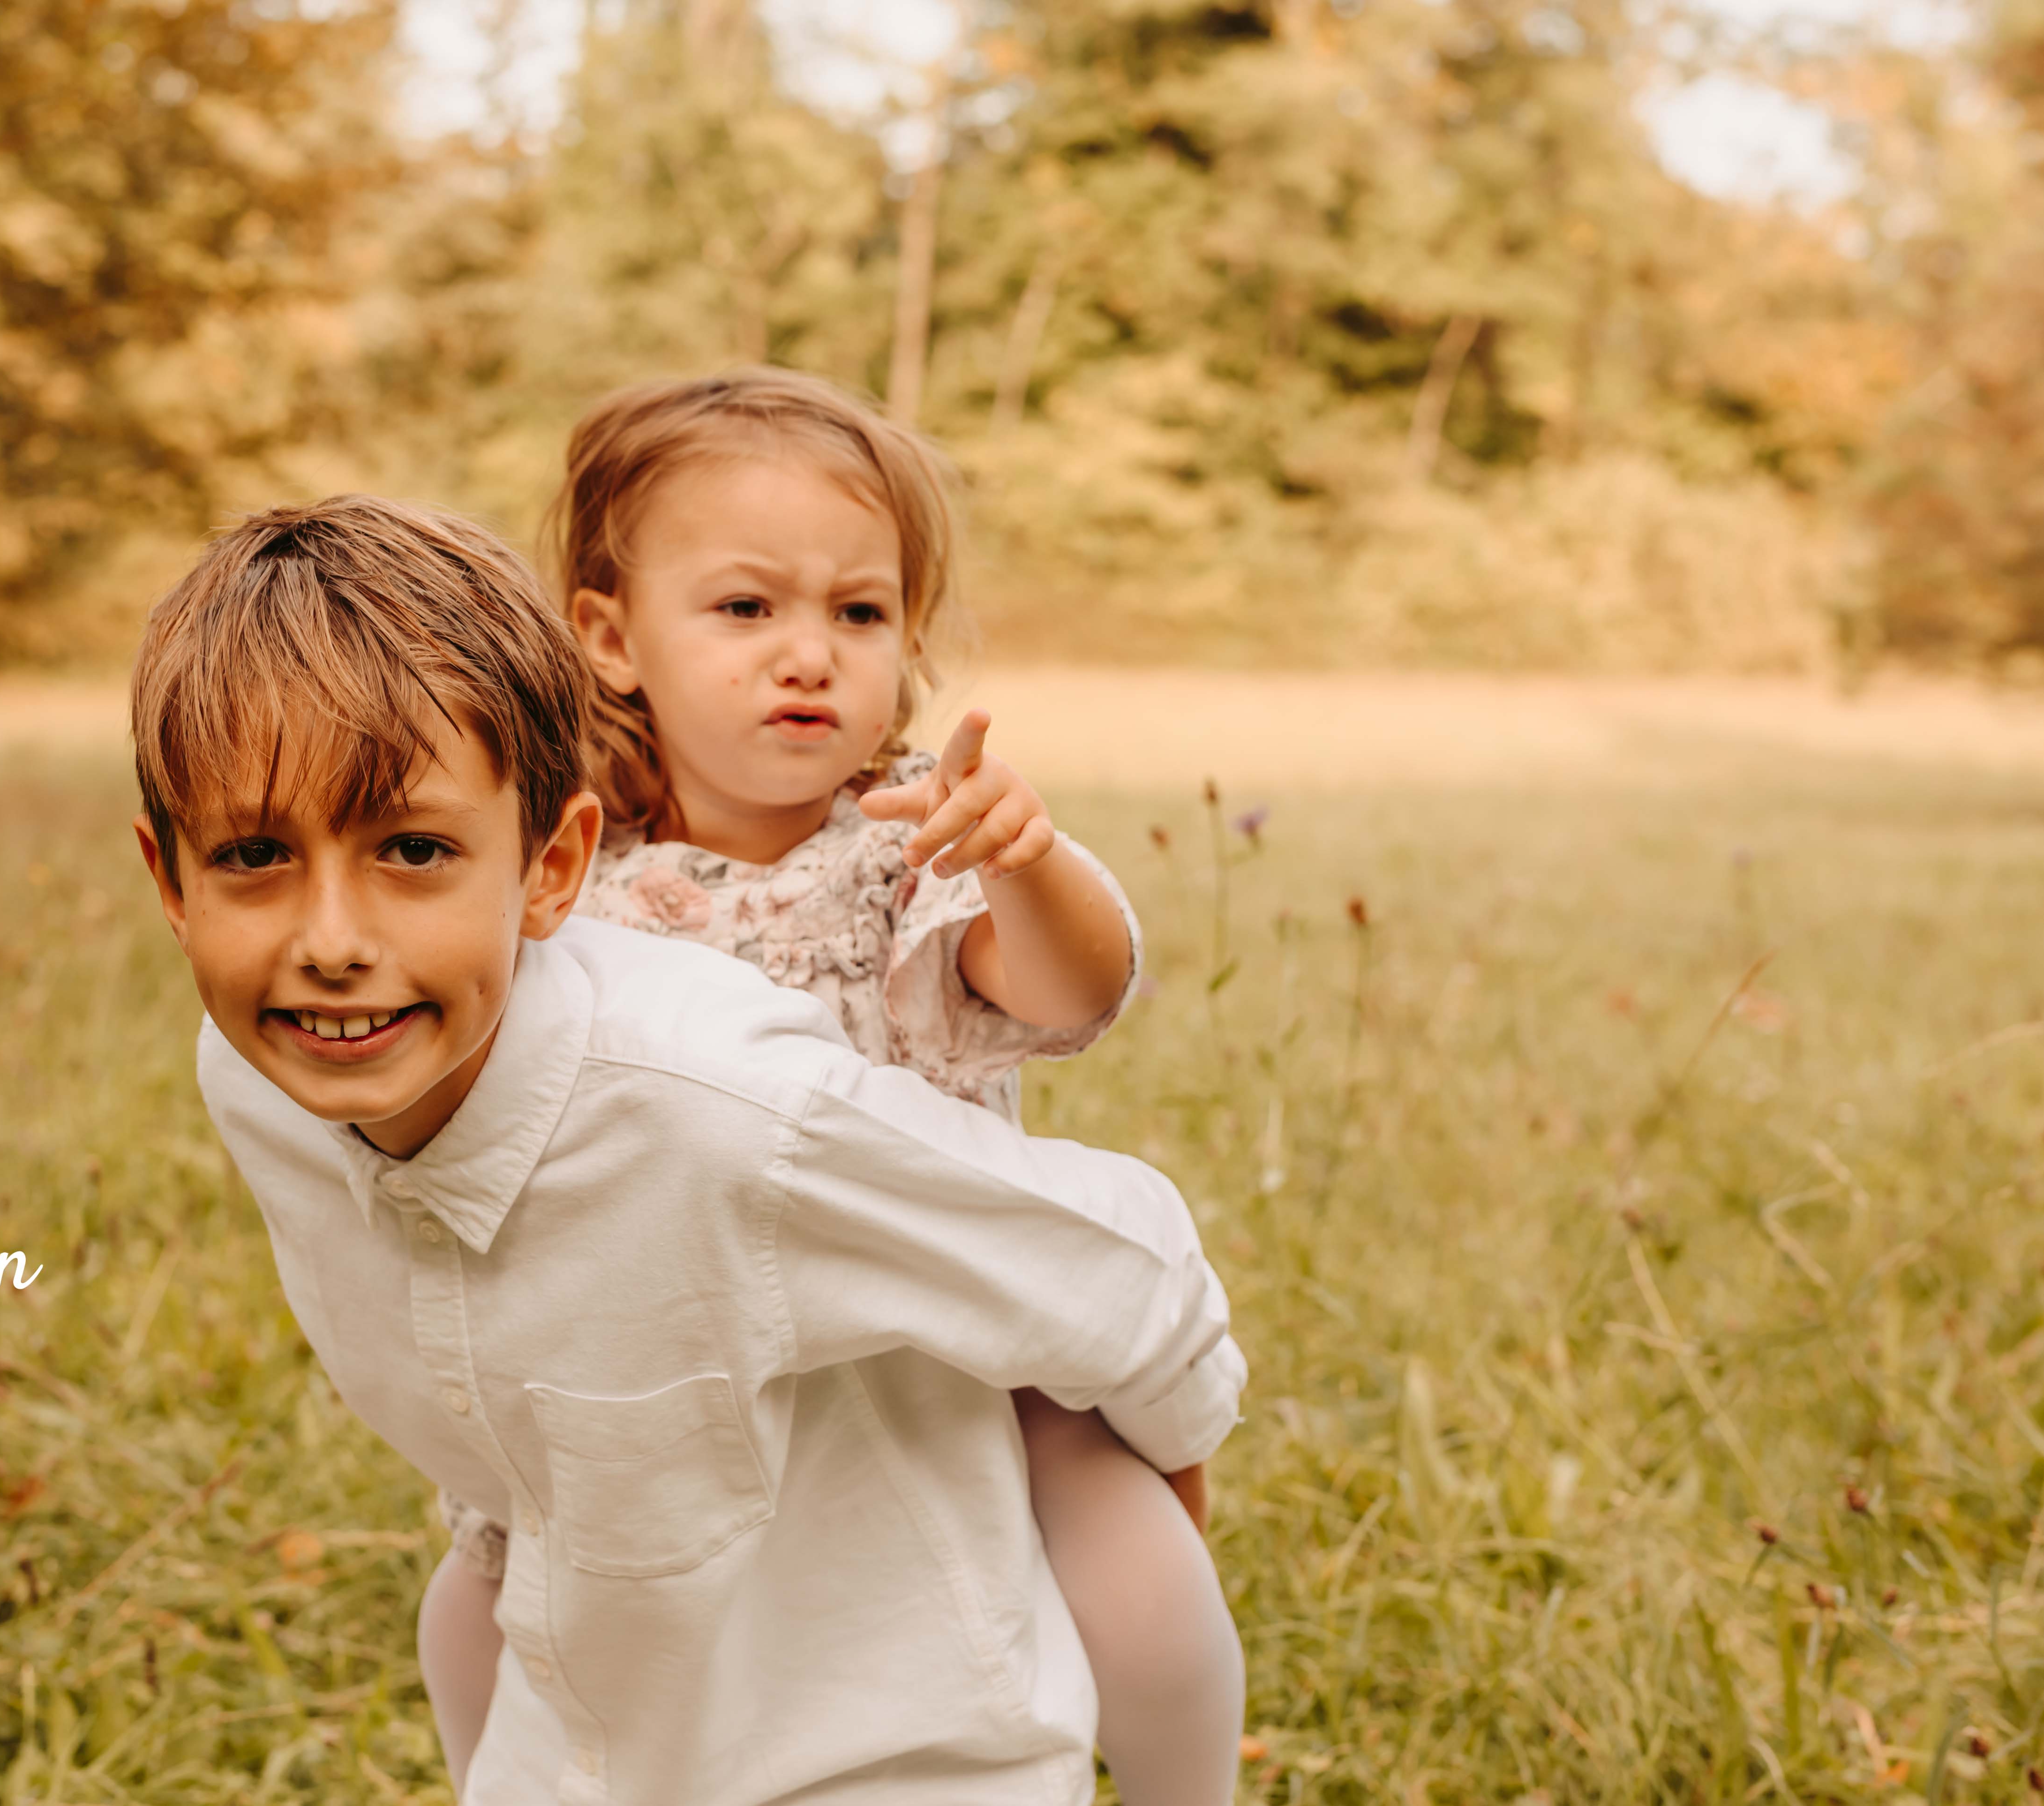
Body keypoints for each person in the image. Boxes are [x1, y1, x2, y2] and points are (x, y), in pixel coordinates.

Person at [132, 493, 1247, 1805]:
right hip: (610, 1714)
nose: (329, 939)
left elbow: (1123, 1260)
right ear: (172, 882)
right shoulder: (263, 1074)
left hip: (900, 1743)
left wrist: (1151, 1485)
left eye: (414, 850)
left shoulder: (721, 1108)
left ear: (551, 869)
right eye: (256, 855)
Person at [415, 369, 1247, 1806]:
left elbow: (1074, 990)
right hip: (675, 1336)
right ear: (610, 638)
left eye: (857, 613)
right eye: (747, 609)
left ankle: (1184, 1789)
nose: (808, 654)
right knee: (483, 1588)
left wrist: (1026, 860)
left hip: (937, 1321)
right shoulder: (572, 884)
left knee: (1125, 1524)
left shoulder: (903, 847)